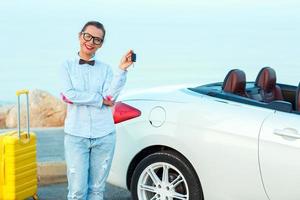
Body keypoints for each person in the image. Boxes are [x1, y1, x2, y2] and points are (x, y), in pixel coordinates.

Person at [60, 21, 134, 200]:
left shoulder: (107, 70)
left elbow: (111, 98)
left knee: (97, 190)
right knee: (77, 191)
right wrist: (99, 99)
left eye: (97, 40)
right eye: (88, 36)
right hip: (76, 136)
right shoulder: (66, 66)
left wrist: (121, 70)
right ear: (80, 36)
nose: (91, 42)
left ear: (101, 44)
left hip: (104, 135)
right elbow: (69, 95)